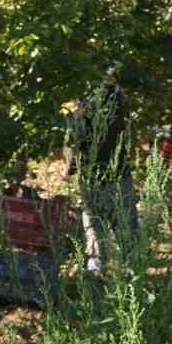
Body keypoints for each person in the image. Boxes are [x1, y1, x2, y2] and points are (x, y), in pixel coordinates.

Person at [67, 69, 136, 273]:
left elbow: (80, 136)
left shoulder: (112, 99)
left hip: (110, 171)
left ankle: (125, 264)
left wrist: (71, 165)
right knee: (99, 219)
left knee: (116, 219)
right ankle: (102, 262)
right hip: (99, 173)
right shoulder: (100, 96)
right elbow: (76, 137)